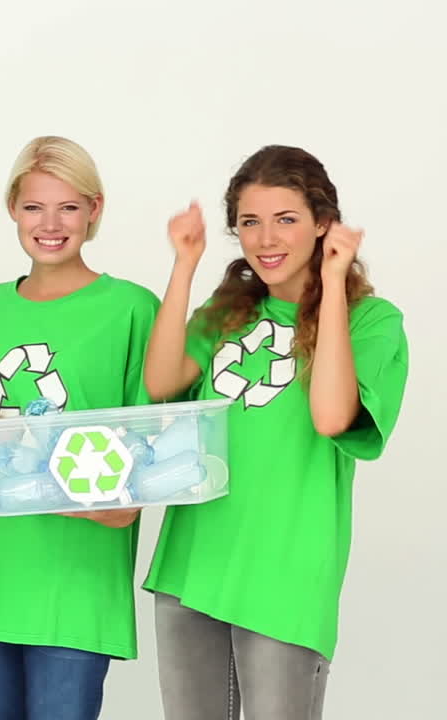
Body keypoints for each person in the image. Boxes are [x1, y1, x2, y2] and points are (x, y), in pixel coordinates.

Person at [142, 145, 410, 720]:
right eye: (249, 222)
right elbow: (161, 381)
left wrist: (332, 284)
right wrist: (184, 265)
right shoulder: (228, 310)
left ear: (323, 223)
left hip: (284, 576)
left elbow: (331, 417)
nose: (266, 239)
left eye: (286, 219)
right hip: (194, 562)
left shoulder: (373, 321)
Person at [0, 136, 160, 720]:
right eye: (35, 207)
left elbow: (152, 436)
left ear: (95, 209)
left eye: (68, 207)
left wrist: (126, 502)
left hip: (77, 572)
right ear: (13, 208)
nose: (51, 224)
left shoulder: (133, 309)